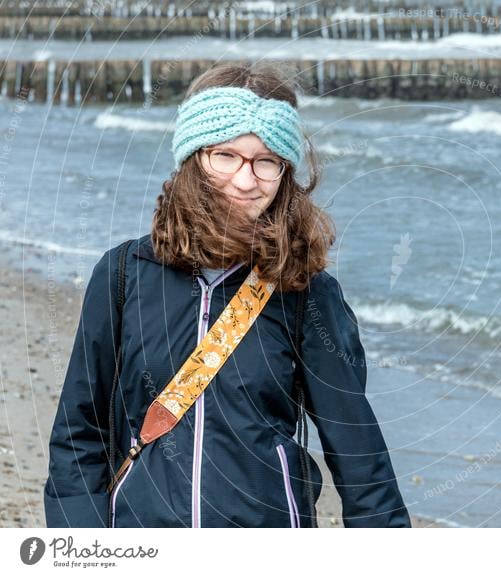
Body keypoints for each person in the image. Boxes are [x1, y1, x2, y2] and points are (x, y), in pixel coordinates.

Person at [43, 62, 412, 528]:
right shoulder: (122, 276)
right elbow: (79, 436)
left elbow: (359, 454)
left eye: (266, 161)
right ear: (194, 158)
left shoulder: (307, 292)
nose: (245, 180)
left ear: (284, 173)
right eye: (226, 156)